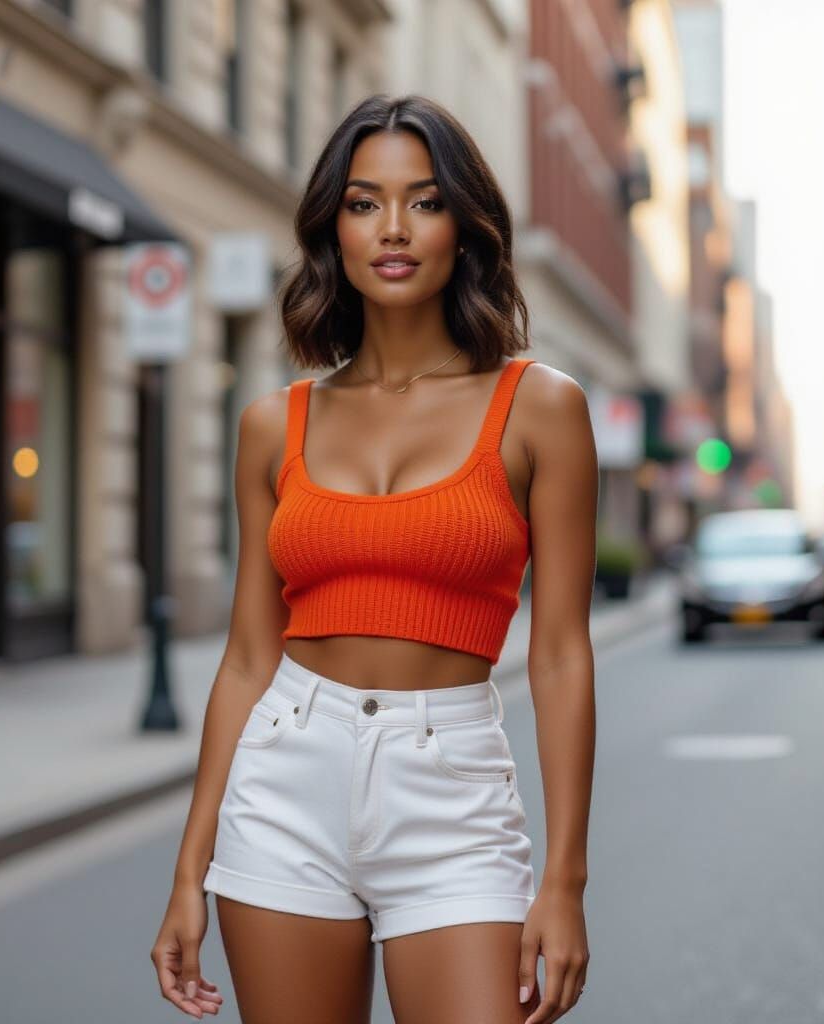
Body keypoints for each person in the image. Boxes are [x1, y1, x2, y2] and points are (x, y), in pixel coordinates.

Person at [150, 94, 599, 1024]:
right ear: (333, 229)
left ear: (465, 228)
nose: (393, 229)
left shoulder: (541, 407)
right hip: (283, 782)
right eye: (364, 203)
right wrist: (189, 871)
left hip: (453, 790)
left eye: (424, 201)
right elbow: (245, 659)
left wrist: (564, 880)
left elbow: (559, 656)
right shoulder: (273, 425)